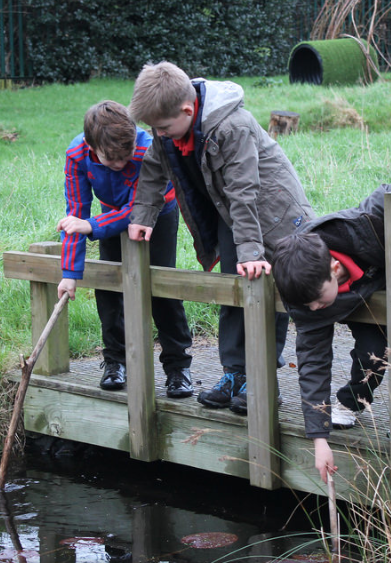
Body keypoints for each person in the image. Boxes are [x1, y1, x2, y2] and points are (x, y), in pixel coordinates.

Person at [126, 61, 315, 414]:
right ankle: (235, 373)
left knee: (268, 291)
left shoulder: (233, 126)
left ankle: (263, 381)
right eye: (155, 128)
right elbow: (153, 167)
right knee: (233, 290)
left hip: (272, 214)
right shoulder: (168, 125)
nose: (160, 134)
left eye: (163, 127)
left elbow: (245, 192)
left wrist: (251, 253)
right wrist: (143, 216)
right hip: (232, 215)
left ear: (187, 109)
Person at [270, 181, 391, 483]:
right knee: (373, 354)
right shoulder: (304, 294)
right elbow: (313, 363)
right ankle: (351, 402)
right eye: (308, 305)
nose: (314, 309)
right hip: (358, 296)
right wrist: (319, 438)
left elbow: (388, 193)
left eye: (317, 300)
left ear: (334, 268)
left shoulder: (357, 227)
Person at [57, 100, 194, 398]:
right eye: (111, 159)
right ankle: (115, 362)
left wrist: (91, 226)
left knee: (161, 287)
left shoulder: (148, 149)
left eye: (125, 155)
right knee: (109, 288)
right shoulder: (77, 155)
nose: (120, 164)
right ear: (92, 147)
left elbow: (137, 207)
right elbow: (75, 214)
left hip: (157, 211)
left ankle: (178, 367)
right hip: (107, 214)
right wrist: (69, 273)